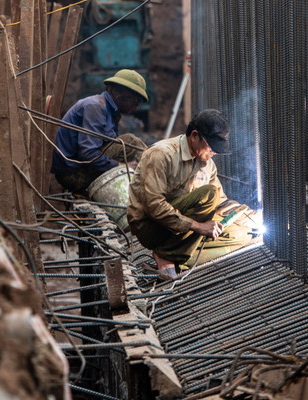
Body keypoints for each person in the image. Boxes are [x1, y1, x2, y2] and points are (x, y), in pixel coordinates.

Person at [127, 109, 250, 280]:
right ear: (194, 135)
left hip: (177, 230)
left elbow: (221, 202)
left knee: (242, 234)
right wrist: (199, 227)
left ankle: (178, 259)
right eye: (211, 146)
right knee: (208, 194)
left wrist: (248, 216)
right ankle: (166, 255)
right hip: (150, 227)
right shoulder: (162, 155)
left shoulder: (207, 164)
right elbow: (154, 206)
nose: (213, 152)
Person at [50, 70, 149, 195]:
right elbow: (88, 153)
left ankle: (152, 184)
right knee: (130, 142)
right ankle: (158, 182)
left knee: (134, 149)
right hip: (73, 175)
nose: (136, 106)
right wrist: (120, 166)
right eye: (135, 100)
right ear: (115, 91)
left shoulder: (111, 111)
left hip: (80, 169)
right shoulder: (95, 107)